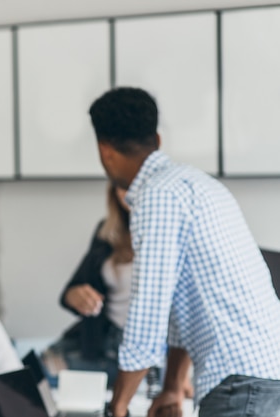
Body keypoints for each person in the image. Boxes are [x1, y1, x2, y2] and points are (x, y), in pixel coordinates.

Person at [88, 86, 280, 417]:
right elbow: (181, 306)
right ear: (157, 139)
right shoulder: (195, 184)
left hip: (241, 384)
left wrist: (117, 406)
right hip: (261, 373)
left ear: (105, 150)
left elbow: (148, 311)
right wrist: (173, 387)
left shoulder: (158, 196)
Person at [42, 182, 135, 389]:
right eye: (123, 184)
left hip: (130, 349)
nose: (129, 192)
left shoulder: (165, 236)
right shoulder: (107, 232)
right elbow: (70, 291)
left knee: (48, 376)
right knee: (35, 368)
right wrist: (75, 296)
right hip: (97, 338)